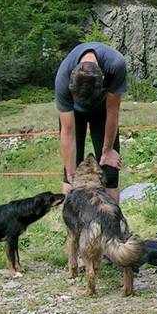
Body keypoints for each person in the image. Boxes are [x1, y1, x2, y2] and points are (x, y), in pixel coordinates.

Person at [55, 42, 128, 203]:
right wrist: (71, 172)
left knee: (110, 171)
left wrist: (108, 150)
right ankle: (72, 225)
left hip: (103, 112)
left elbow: (113, 112)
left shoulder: (115, 64)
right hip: (75, 114)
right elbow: (67, 131)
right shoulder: (63, 76)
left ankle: (112, 224)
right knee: (69, 176)